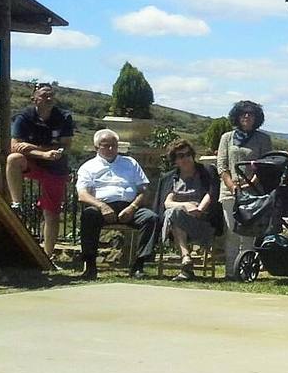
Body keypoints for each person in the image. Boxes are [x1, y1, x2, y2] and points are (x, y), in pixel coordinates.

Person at [75, 130, 158, 280]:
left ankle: (139, 265)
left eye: (114, 145)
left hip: (129, 206)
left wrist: (132, 207)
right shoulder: (88, 167)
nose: (111, 149)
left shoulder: (130, 163)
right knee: (88, 215)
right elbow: (83, 194)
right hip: (102, 206)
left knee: (151, 218)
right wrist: (102, 206)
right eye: (106, 146)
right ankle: (90, 265)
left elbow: (144, 190)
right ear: (96, 147)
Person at [6, 81, 74, 258]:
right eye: (44, 95)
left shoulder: (64, 117)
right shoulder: (23, 117)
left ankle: (47, 256)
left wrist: (30, 147)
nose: (49, 98)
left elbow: (65, 146)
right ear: (34, 99)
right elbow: (15, 146)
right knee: (14, 159)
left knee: (51, 214)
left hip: (56, 169)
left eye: (51, 95)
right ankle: (17, 204)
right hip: (33, 164)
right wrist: (44, 153)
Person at [216, 100, 273, 279]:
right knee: (232, 231)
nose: (247, 116)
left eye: (251, 114)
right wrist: (232, 186)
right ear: (237, 116)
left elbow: (266, 165)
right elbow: (221, 165)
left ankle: (246, 271)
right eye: (243, 113)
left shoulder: (263, 139)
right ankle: (230, 272)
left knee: (248, 233)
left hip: (253, 192)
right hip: (229, 191)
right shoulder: (227, 137)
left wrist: (250, 183)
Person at [160, 139, 218, 281]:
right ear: (175, 160)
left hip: (202, 222)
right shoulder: (172, 178)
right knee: (173, 212)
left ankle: (185, 261)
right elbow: (167, 202)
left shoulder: (206, 171)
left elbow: (211, 194)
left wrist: (199, 209)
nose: (185, 158)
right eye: (180, 156)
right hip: (177, 223)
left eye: (187, 154)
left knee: (173, 214)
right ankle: (186, 258)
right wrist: (185, 206)